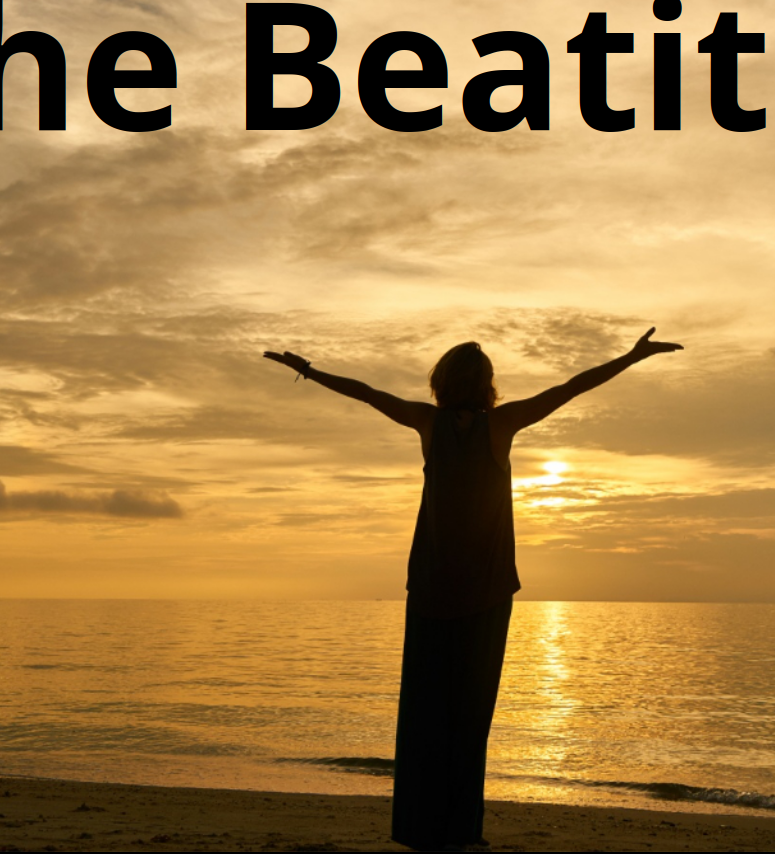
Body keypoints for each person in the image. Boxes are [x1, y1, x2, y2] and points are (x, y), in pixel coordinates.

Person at [262, 328, 683, 849]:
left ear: (441, 383)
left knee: (424, 711)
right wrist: (631, 357)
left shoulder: (428, 422)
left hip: (433, 587)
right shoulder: (499, 424)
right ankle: (460, 828)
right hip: (484, 591)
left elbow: (367, 393)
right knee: (469, 713)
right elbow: (571, 388)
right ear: (487, 385)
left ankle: (419, 828)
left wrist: (309, 370)